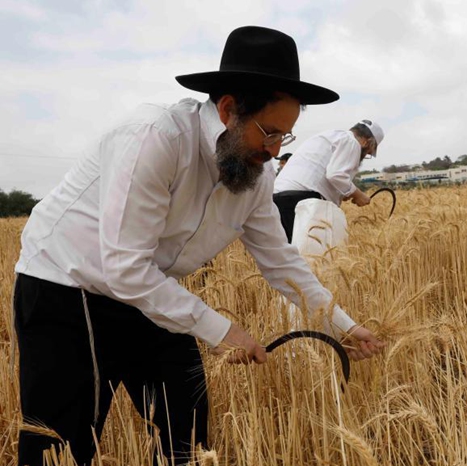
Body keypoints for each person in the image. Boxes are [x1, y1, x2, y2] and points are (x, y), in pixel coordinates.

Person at [12, 26, 384, 466]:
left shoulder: (256, 175)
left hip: (155, 290)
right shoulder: (155, 137)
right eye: (268, 132)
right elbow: (125, 268)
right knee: (62, 444)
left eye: (284, 137)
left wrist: (340, 323)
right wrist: (220, 331)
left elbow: (281, 260)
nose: (273, 150)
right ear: (228, 109)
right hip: (69, 288)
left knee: (185, 430)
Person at [273, 119, 384, 242]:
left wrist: (343, 193)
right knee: (306, 254)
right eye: (369, 151)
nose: (366, 155)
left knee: (287, 252)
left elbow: (322, 172)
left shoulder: (333, 136)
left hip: (279, 198)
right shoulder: (351, 142)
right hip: (301, 200)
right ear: (366, 142)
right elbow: (335, 175)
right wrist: (357, 194)